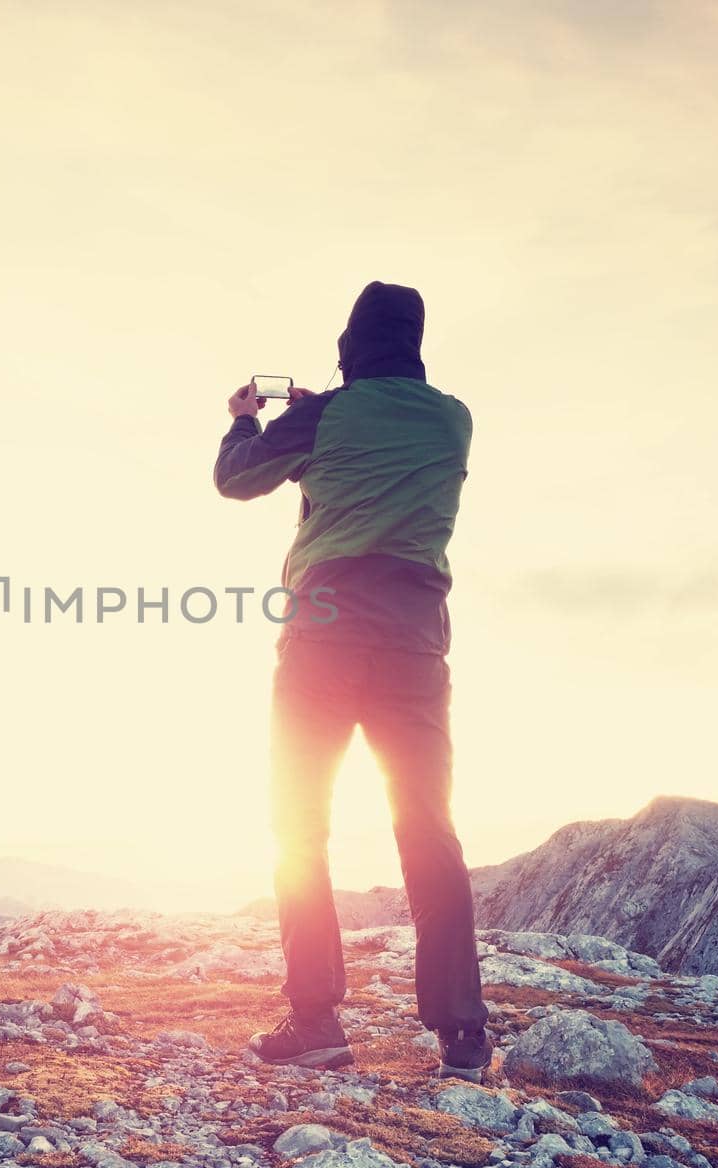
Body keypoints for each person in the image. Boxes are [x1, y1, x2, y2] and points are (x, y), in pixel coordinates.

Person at [213, 281, 491, 1080]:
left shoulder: (323, 415)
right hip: (414, 645)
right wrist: (326, 413)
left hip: (325, 638)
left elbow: (238, 479)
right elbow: (377, 451)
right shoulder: (453, 417)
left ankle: (316, 1023)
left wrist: (247, 417)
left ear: (350, 343)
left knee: (299, 824)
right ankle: (462, 1034)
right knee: (428, 829)